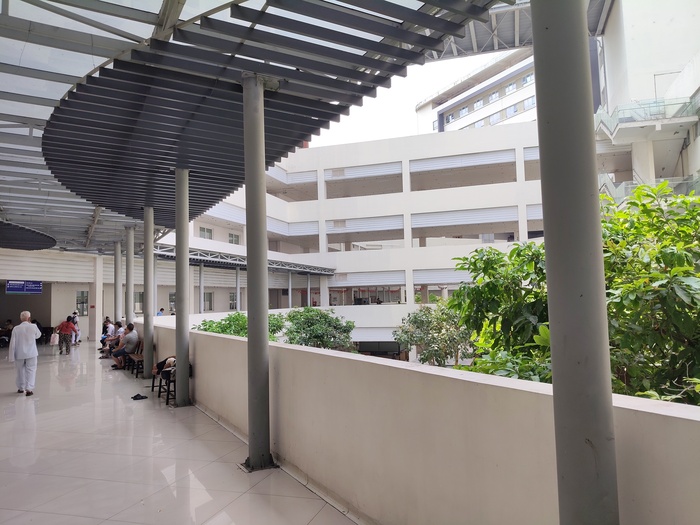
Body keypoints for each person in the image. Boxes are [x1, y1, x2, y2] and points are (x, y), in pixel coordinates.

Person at [9, 311, 42, 396]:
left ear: (21, 319)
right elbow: (38, 335)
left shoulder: (16, 328)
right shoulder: (33, 326)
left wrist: (11, 356)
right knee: (31, 370)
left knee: (20, 371)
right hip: (31, 353)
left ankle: (21, 388)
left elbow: (12, 343)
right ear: (29, 318)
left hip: (19, 354)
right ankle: (29, 389)